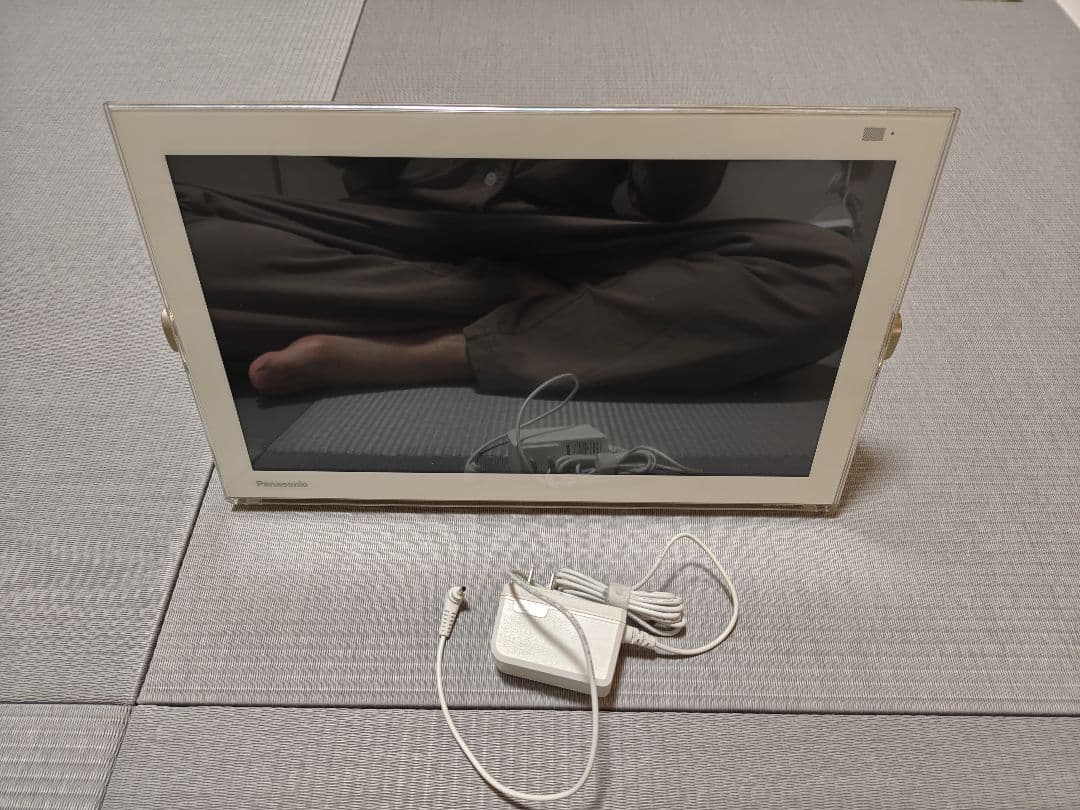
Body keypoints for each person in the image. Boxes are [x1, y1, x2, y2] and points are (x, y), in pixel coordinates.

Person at [175, 158, 863, 397]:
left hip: (573, 239)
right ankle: (509, 298)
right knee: (167, 236)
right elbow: (351, 154)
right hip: (393, 230)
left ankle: (434, 352)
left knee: (830, 272)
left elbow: (668, 203)